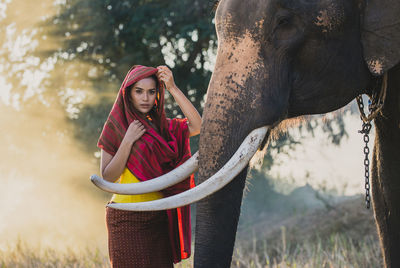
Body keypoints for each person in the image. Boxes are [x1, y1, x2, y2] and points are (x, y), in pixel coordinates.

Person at [97, 65, 201, 268]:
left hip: (158, 215)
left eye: (151, 92)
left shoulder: (164, 127)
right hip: (125, 217)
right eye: (139, 91)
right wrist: (128, 140)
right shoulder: (116, 125)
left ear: (157, 94)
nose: (145, 98)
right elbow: (107, 177)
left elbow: (198, 126)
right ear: (128, 94)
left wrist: (173, 87)